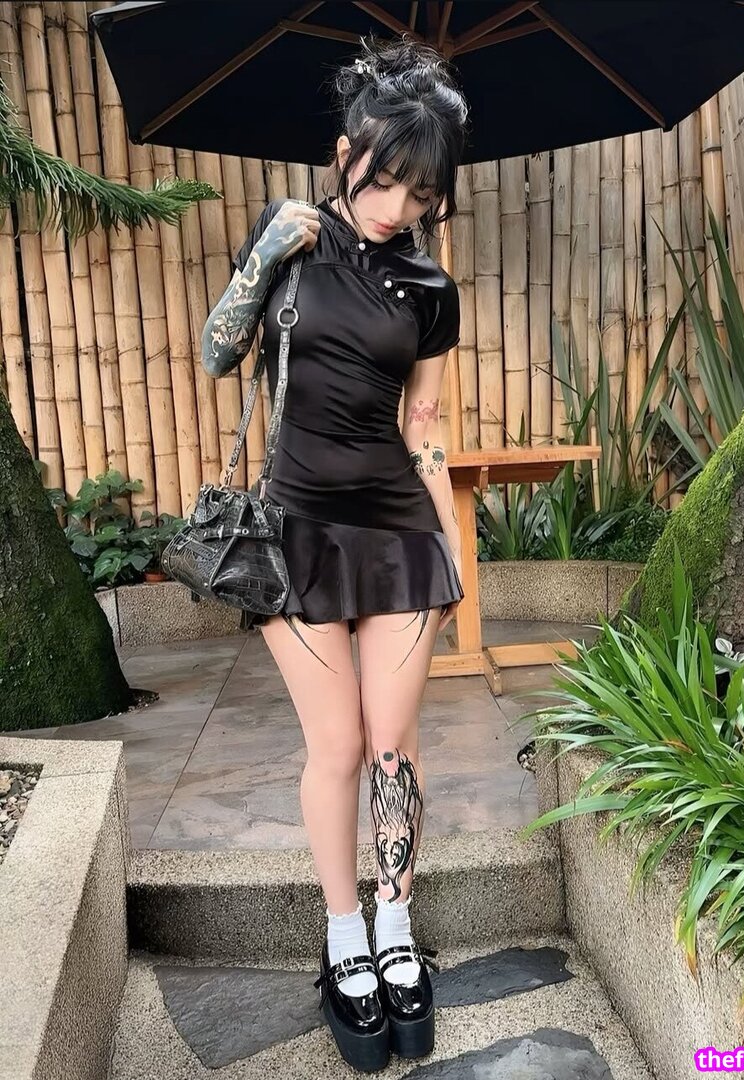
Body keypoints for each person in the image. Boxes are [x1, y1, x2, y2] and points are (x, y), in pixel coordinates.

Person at [199, 31, 470, 1074]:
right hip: (295, 532)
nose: (397, 206)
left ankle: (396, 931)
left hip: (398, 531)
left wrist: (452, 548)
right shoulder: (289, 240)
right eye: (384, 178)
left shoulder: (430, 286)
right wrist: (263, 254)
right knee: (338, 746)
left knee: (394, 746)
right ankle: (343, 936)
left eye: (420, 192)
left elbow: (425, 426)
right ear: (345, 150)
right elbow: (219, 353)